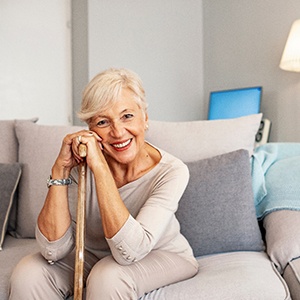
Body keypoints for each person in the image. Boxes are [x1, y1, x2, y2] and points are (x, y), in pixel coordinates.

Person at [9, 68, 198, 299]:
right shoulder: (79, 166)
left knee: (107, 276)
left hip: (160, 254)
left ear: (145, 118)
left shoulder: (172, 171)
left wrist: (100, 168)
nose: (118, 132)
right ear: (90, 129)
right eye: (102, 122)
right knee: (28, 273)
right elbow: (53, 250)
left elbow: (130, 252)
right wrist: (61, 168)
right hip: (93, 255)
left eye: (127, 116)